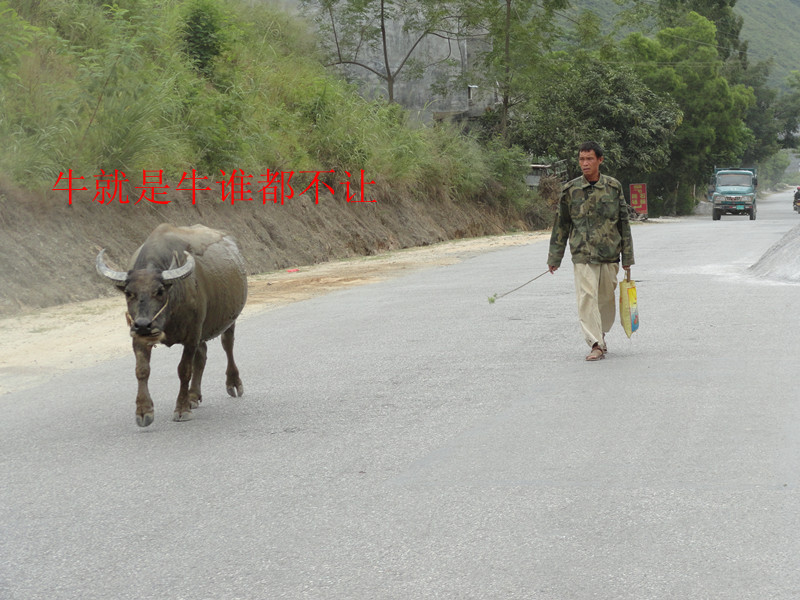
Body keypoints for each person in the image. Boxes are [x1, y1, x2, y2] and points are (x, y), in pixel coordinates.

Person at [547, 141, 635, 361]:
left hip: (609, 254)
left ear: (600, 160)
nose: (584, 163)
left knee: (606, 299)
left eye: (589, 159)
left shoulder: (614, 187)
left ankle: (602, 334)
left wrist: (628, 257)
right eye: (581, 159)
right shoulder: (570, 190)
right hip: (582, 254)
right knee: (587, 297)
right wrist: (554, 257)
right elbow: (562, 224)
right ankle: (595, 343)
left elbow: (623, 222)